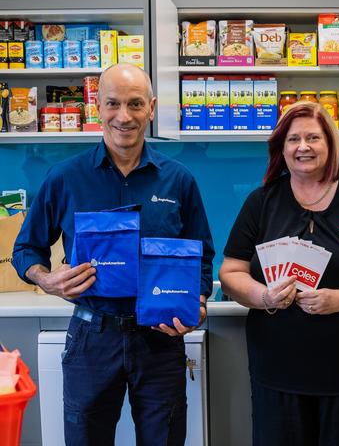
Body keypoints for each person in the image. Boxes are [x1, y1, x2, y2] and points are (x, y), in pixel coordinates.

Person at [12, 63, 215, 446]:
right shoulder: (65, 177)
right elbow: (26, 249)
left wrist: (198, 303)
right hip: (92, 335)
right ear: (97, 107)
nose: (124, 116)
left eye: (135, 104)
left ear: (151, 108)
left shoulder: (179, 179)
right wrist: (47, 279)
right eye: (113, 104)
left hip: (160, 338)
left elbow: (202, 255)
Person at [219, 101, 339, 446]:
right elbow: (231, 271)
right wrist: (264, 296)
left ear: (331, 144)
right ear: (282, 148)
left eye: (313, 138)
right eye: (293, 139)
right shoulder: (261, 202)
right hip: (277, 368)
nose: (302, 147)